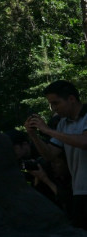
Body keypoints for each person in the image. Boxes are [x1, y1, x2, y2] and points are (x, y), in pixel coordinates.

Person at [26, 80, 87, 229]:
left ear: (71, 99)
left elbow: (84, 142)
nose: (54, 108)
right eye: (51, 104)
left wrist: (47, 130)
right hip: (79, 191)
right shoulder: (62, 123)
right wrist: (33, 135)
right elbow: (49, 155)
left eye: (56, 103)